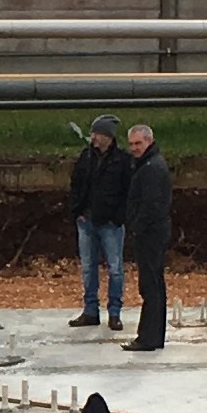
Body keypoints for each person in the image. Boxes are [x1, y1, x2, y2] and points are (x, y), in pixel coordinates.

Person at [67, 115, 132, 328]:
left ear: (108, 137)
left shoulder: (122, 161)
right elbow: (76, 185)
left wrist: (118, 217)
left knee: (115, 268)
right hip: (86, 221)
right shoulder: (86, 157)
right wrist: (78, 211)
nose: (93, 137)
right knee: (88, 268)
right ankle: (90, 310)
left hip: (111, 224)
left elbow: (128, 193)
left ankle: (115, 312)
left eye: (97, 134)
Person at [120, 121, 175, 350]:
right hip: (153, 232)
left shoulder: (151, 168)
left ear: (149, 141)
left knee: (151, 286)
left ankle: (148, 338)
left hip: (151, 234)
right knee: (154, 285)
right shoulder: (148, 164)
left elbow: (151, 205)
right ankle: (153, 336)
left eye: (138, 143)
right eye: (131, 144)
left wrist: (136, 226)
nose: (134, 148)